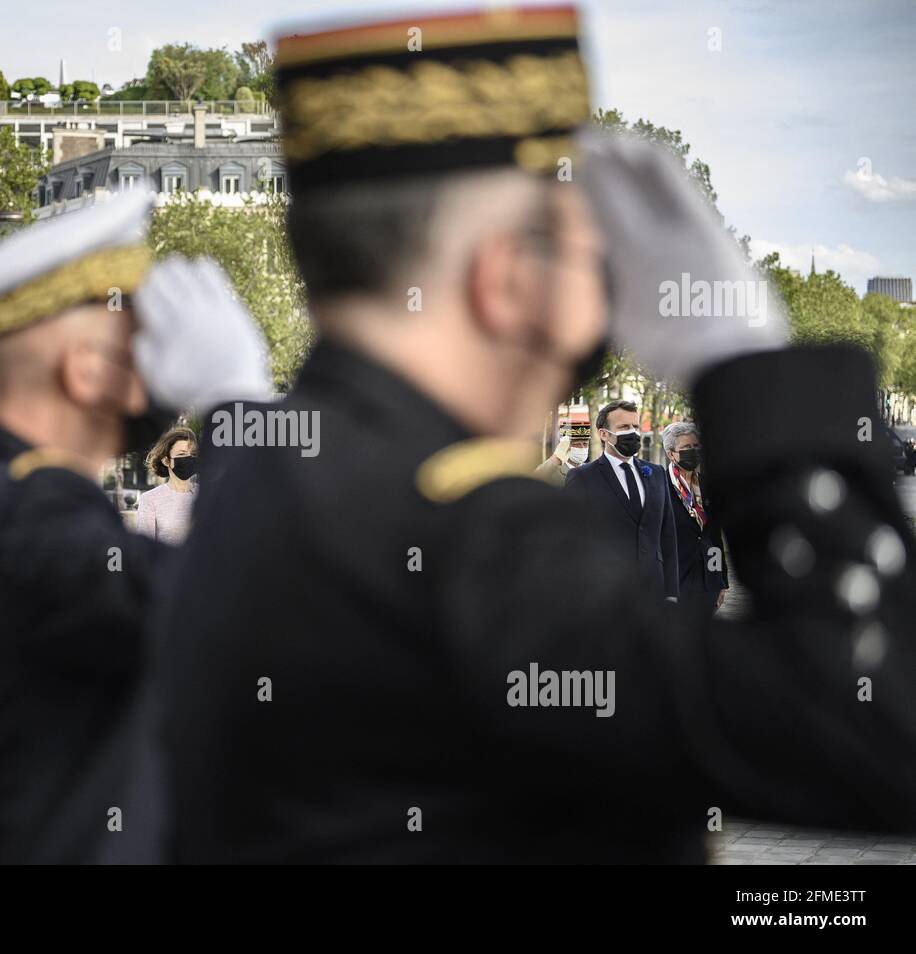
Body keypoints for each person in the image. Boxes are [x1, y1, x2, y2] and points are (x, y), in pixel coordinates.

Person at [153, 5, 916, 863]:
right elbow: (884, 722)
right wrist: (743, 358)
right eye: (596, 252)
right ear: (512, 278)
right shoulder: (473, 536)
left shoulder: (262, 473)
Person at [0, 191, 270, 863]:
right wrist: (239, 402)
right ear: (86, 369)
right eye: (144, 330)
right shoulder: (36, 527)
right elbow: (250, 606)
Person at [565, 400, 679, 602]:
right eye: (624, 427)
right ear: (603, 434)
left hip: (654, 592)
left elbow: (667, 536)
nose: (633, 433)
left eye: (635, 426)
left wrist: (671, 593)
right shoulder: (582, 477)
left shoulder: (657, 473)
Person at [661, 421, 727, 618]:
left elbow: (714, 538)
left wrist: (719, 581)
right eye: (686, 448)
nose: (693, 452)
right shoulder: (659, 487)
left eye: (696, 447)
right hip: (674, 584)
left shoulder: (709, 486)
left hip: (707, 583)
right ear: (671, 453)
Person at [135, 426, 199, 544]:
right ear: (166, 461)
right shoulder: (150, 499)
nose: (189, 459)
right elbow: (144, 548)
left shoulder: (207, 494)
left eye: (193, 454)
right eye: (182, 454)